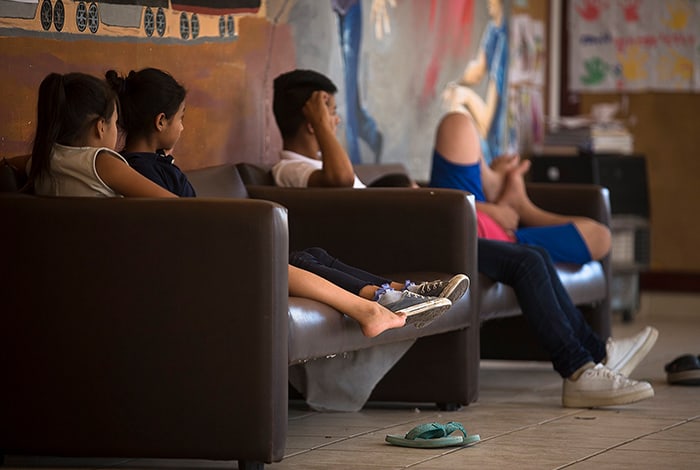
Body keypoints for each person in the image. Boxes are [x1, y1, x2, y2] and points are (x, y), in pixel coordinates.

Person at [271, 68, 659, 408]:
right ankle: (578, 369)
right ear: (310, 118)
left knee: (533, 254)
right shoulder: (289, 170)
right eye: (330, 111)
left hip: (415, 234)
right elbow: (340, 181)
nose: (335, 120)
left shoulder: (322, 165)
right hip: (396, 245)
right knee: (524, 261)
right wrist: (320, 122)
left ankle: (594, 355)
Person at [19, 70, 455, 340]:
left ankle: (377, 302)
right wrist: (229, 227)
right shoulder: (105, 162)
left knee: (287, 261)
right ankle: (370, 307)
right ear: (99, 128)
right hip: (138, 273)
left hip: (81, 279)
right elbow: (173, 208)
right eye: (113, 126)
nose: (117, 135)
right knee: (271, 263)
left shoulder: (43, 164)